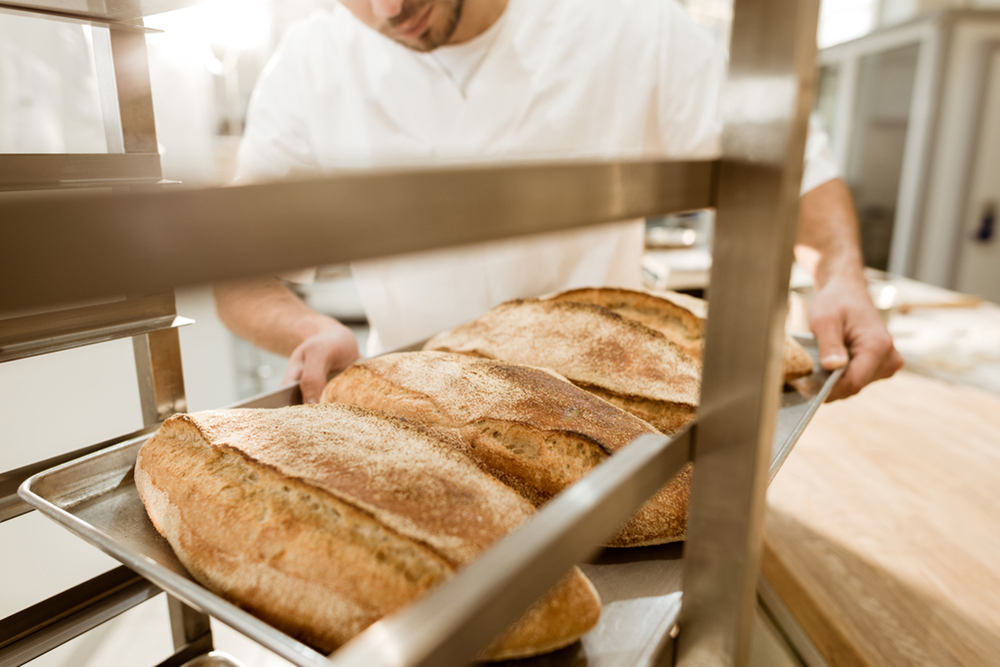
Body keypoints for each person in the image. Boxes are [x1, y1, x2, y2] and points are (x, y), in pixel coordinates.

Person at [215, 0, 902, 404]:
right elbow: (236, 258)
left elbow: (782, 168)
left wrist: (839, 272)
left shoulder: (627, 23)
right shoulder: (311, 62)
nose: (390, 10)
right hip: (417, 403)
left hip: (613, 400)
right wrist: (305, 330)